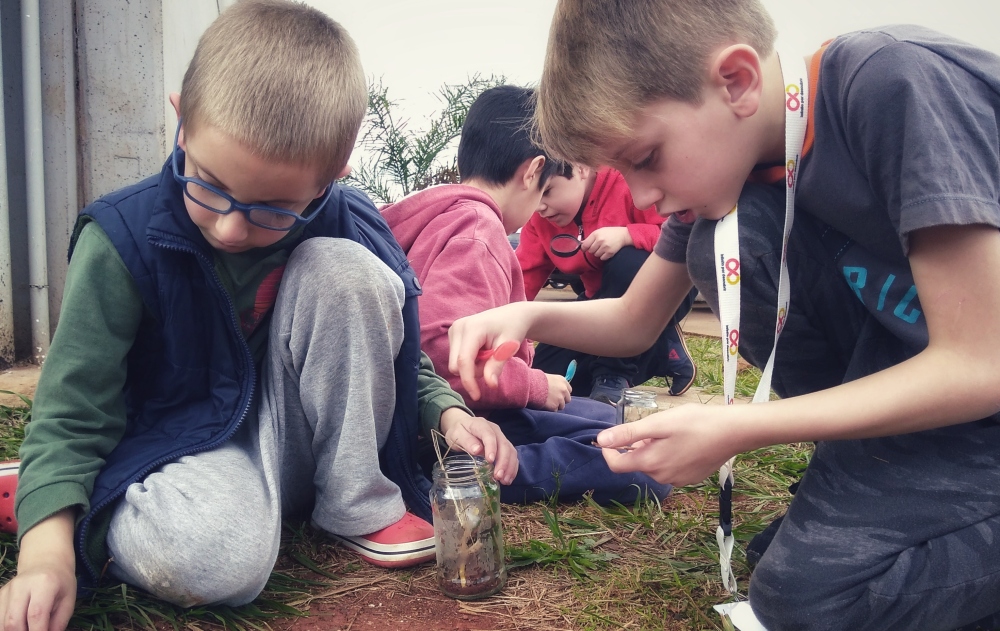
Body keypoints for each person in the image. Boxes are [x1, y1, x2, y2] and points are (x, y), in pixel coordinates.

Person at [447, 1, 1000, 629]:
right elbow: (634, 319)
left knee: (808, 604)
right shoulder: (736, 170)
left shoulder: (893, 85)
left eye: (646, 157)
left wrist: (739, 427)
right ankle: (868, 466)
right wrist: (524, 316)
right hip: (934, 406)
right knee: (729, 234)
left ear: (736, 81)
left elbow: (981, 361)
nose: (643, 196)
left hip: (976, 386)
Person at [0, 2, 518, 628]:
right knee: (216, 562)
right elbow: (71, 409)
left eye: (273, 208)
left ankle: (353, 504)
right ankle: (76, 497)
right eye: (208, 185)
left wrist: (450, 413)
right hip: (180, 447)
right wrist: (46, 553)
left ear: (330, 178)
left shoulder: (345, 222)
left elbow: (394, 352)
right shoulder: (122, 239)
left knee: (347, 271)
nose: (230, 227)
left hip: (291, 441)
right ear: (182, 123)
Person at [381, 85, 670, 506]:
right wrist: (534, 385)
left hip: (434, 414)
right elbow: (446, 357)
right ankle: (471, 475)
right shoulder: (477, 231)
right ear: (533, 172)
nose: (540, 209)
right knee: (642, 465)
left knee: (607, 417)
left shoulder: (440, 216)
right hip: (450, 427)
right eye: (543, 190)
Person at [517, 164, 698, 402]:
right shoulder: (538, 221)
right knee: (548, 378)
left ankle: (613, 374)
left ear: (580, 168)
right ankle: (664, 351)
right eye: (533, 196)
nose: (540, 206)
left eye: (548, 191)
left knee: (627, 259)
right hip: (600, 302)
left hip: (661, 293)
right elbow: (522, 280)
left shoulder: (628, 183)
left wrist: (628, 235)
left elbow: (688, 235)